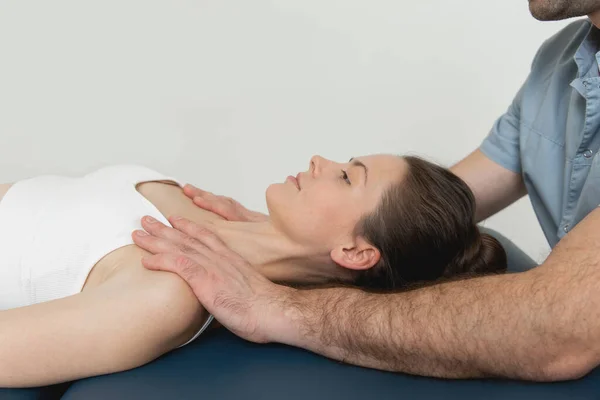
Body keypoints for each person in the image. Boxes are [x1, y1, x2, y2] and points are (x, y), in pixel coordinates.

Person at [135, 1, 600, 383]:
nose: (320, 162)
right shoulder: (561, 61)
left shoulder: (157, 304)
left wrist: (278, 307)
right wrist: (291, 236)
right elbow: (427, 210)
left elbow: (558, 329)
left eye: (345, 173)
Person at [0, 155, 502, 387]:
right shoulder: (217, 215)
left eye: (348, 177)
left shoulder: (166, 294)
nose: (320, 160)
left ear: (353, 251)